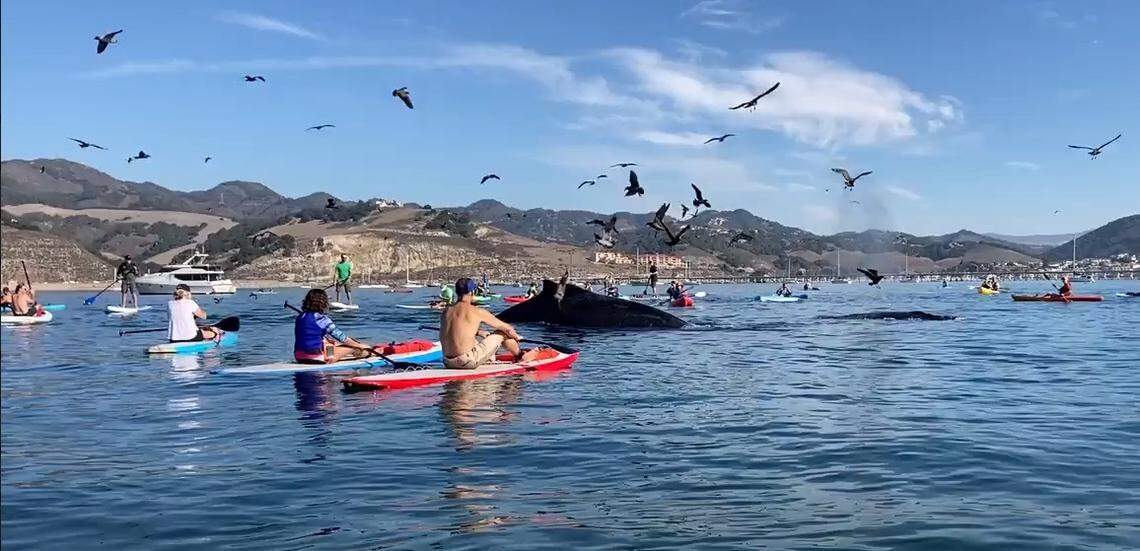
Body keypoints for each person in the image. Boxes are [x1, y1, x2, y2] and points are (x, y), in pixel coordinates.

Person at [440, 277, 539, 369]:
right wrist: (517, 337)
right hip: (466, 361)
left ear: (456, 292)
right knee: (502, 333)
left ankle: (489, 359)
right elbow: (508, 329)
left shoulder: (446, 311)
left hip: (447, 362)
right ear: (472, 292)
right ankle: (521, 356)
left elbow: (457, 330)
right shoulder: (476, 311)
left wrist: (479, 332)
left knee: (476, 339)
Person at [294, 288, 376, 364]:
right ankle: (371, 353)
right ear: (323, 302)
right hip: (317, 358)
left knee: (331, 344)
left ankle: (337, 354)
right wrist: (360, 345)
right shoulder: (322, 319)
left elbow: (310, 335)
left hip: (299, 357)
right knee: (354, 347)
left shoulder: (300, 317)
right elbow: (343, 338)